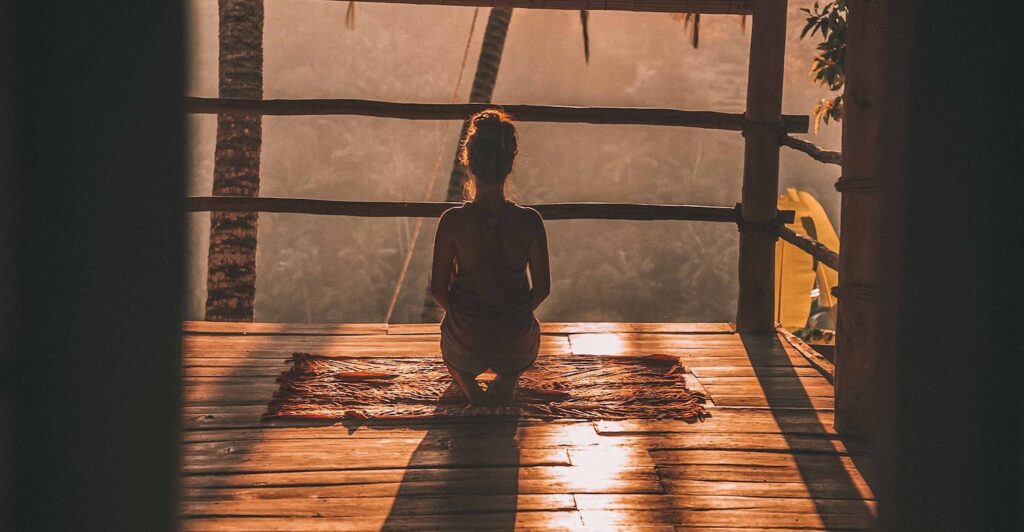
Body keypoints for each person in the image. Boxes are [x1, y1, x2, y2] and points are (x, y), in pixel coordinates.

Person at [429, 109, 550, 406]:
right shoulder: (530, 221)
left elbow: (437, 289)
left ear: (469, 162)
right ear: (509, 163)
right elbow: (543, 289)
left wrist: (463, 316)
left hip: (467, 339)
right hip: (514, 339)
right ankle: (509, 376)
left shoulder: (453, 222)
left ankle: (468, 385)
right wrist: (514, 312)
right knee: (522, 337)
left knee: (454, 351)